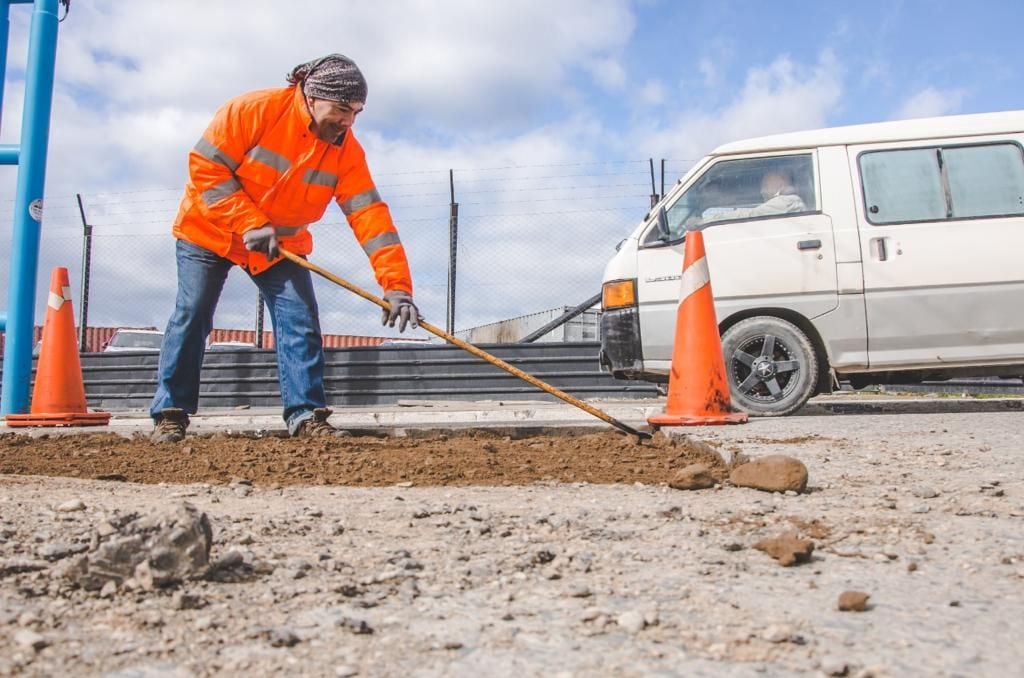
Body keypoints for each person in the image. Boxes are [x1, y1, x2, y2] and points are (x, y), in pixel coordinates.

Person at [149, 54, 419, 443]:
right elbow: (206, 166)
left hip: (279, 246)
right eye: (343, 110)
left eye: (357, 113)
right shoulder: (252, 110)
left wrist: (397, 286)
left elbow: (371, 217)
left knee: (299, 319)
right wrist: (248, 222)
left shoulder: (347, 152)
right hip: (208, 230)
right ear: (312, 97)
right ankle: (170, 414)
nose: (349, 122)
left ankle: (306, 417)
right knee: (192, 314)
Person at [688, 169, 807, 227]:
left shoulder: (789, 202)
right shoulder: (782, 203)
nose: (761, 187)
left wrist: (704, 222)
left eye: (766, 181)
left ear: (781, 180)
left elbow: (750, 215)